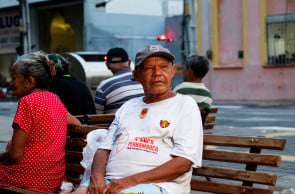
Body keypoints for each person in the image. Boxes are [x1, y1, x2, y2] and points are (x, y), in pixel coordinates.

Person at [85, 45, 203, 194]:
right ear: (136, 75)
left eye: (163, 67)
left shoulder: (185, 105)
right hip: (112, 182)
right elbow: (104, 148)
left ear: (173, 72)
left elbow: (183, 163)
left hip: (158, 186)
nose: (157, 73)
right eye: (148, 68)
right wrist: (96, 177)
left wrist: (127, 182)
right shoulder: (128, 106)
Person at [0, 52, 81, 193]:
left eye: (14, 78)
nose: (11, 83)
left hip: (29, 180)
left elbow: (15, 155)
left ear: (29, 81)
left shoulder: (27, 102)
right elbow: (77, 123)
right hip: (54, 180)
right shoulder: (54, 99)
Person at [94, 47, 144, 114]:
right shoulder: (143, 79)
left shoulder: (104, 86)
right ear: (129, 62)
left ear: (107, 65)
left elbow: (97, 116)